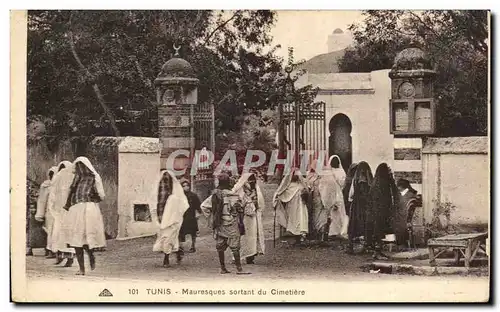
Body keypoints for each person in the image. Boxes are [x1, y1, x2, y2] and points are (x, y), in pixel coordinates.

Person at [62, 157, 106, 275]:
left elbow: (101, 196)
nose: (80, 168)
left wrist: (91, 198)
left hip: (89, 210)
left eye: (82, 166)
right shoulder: (76, 178)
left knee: (87, 237)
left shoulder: (94, 178)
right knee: (77, 239)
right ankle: (81, 269)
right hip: (76, 209)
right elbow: (71, 192)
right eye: (78, 166)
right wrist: (67, 205)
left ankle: (91, 255)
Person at [201, 173, 249, 274]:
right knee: (235, 246)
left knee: (220, 246)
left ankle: (223, 268)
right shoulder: (234, 195)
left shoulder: (215, 195)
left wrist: (212, 218)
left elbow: (204, 206)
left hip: (220, 224)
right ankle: (239, 269)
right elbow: (241, 208)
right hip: (232, 223)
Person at [148, 170, 189, 268]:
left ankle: (167, 258)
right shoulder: (159, 192)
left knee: (169, 238)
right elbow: (154, 203)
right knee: (166, 237)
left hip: (172, 220)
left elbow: (183, 205)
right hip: (161, 217)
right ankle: (176, 251)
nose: (164, 182)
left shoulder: (175, 196)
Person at [231, 173, 266, 264]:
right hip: (244, 218)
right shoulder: (240, 190)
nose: (251, 182)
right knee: (243, 237)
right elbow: (235, 201)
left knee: (253, 237)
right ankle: (237, 257)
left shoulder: (256, 190)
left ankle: (251, 256)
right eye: (249, 180)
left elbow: (260, 203)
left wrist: (255, 203)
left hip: (254, 217)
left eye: (253, 180)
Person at [368, 163, 400, 259]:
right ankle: (377, 253)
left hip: (381, 211)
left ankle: (378, 252)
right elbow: (395, 193)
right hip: (380, 212)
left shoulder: (380, 182)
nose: (390, 172)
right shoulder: (381, 184)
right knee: (379, 231)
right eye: (389, 170)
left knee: (380, 232)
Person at [47, 160, 76, 267]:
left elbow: (53, 196)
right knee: (60, 236)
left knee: (64, 236)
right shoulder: (63, 179)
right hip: (62, 212)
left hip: (65, 212)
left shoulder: (66, 179)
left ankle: (68, 258)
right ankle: (60, 256)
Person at [273, 169, 309, 244]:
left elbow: (307, 192)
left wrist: (305, 194)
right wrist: (278, 196)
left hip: (301, 207)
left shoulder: (302, 185)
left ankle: (301, 236)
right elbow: (283, 192)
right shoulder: (290, 185)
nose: (295, 177)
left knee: (301, 220)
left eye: (297, 176)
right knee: (295, 221)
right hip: (293, 207)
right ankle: (297, 237)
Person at [346, 162, 372, 254]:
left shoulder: (356, 179)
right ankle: (365, 246)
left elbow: (351, 194)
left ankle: (351, 246)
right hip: (364, 206)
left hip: (356, 206)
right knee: (364, 225)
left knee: (354, 225)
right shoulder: (367, 181)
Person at [34, 166, 58, 258]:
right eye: (50, 175)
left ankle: (56, 251)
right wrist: (40, 213)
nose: (52, 177)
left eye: (54, 175)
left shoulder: (59, 185)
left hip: (59, 211)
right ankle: (50, 250)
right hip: (49, 211)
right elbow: (42, 200)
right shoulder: (46, 185)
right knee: (50, 231)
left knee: (57, 231)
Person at [179, 178, 202, 253]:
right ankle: (180, 246)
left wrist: (198, 212)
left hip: (191, 216)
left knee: (193, 232)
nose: (186, 187)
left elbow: (198, 205)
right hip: (182, 216)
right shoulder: (179, 196)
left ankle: (193, 246)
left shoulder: (193, 195)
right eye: (184, 186)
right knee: (181, 232)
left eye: (187, 185)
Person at [395, 179, 420, 247]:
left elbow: (401, 208)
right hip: (406, 218)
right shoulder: (410, 194)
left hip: (403, 218)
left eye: (398, 187)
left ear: (401, 187)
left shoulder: (406, 196)